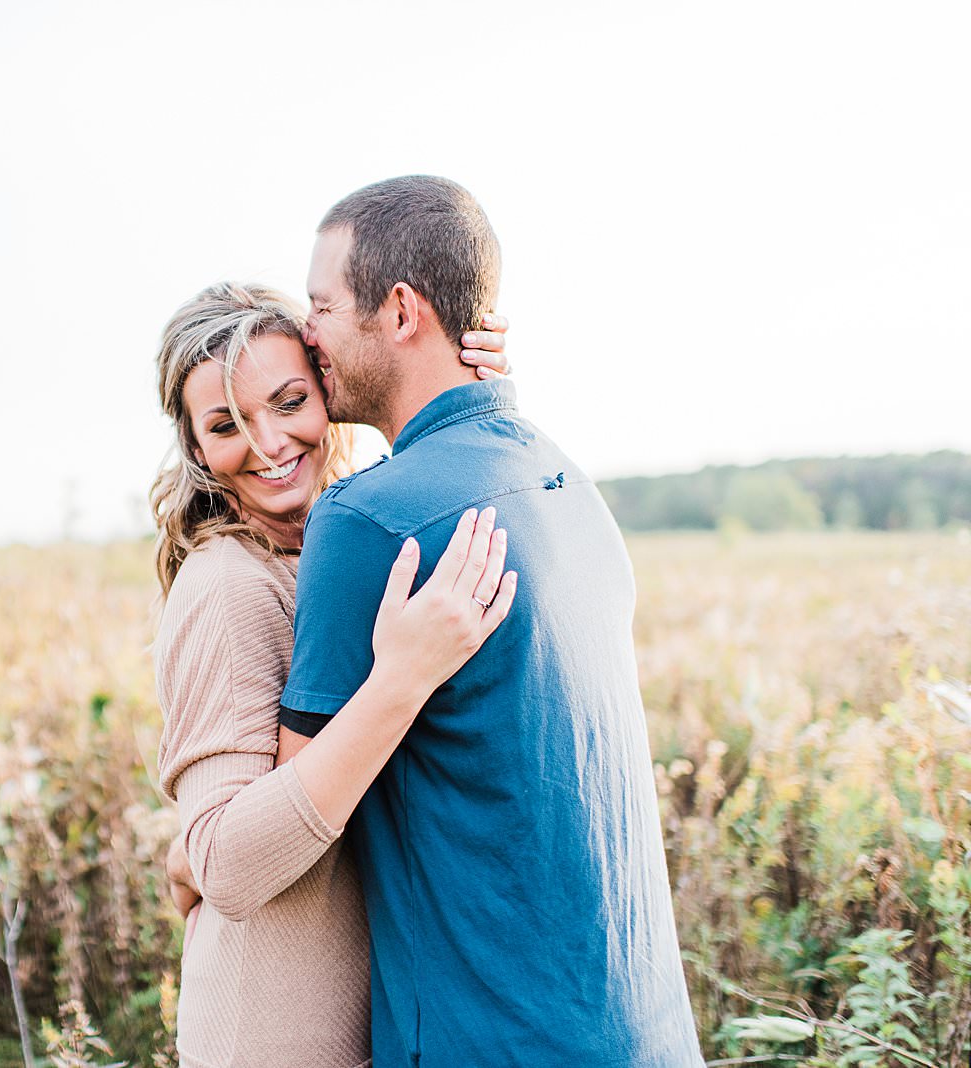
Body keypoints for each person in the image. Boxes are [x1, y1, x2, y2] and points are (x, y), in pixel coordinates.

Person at [277, 176, 704, 1065]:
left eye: (320, 305)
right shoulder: (570, 484)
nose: (305, 331)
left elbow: (291, 826)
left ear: (401, 310)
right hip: (649, 1039)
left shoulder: (366, 523)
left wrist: (189, 858)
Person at [149, 282, 516, 1068]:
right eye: (226, 426)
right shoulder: (227, 584)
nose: (270, 443)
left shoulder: (334, 545)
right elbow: (225, 864)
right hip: (273, 1037)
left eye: (289, 402)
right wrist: (399, 682)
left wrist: (466, 380)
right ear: (196, 449)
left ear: (330, 393)